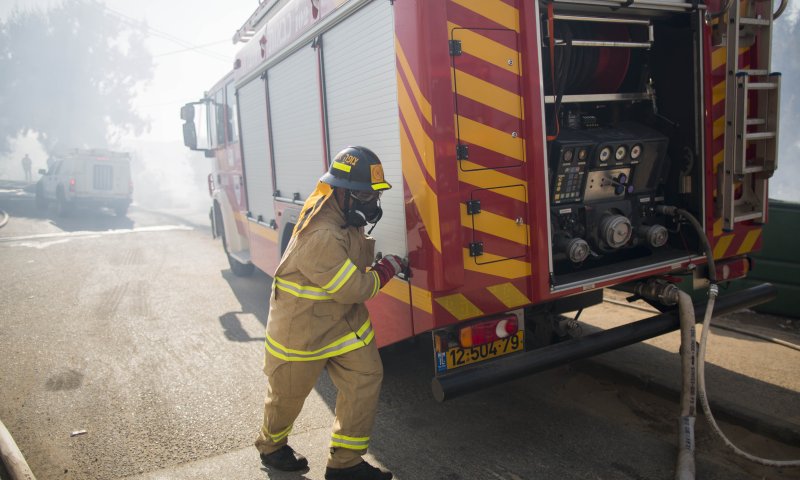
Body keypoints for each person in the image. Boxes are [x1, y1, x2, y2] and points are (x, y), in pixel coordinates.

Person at [255, 146, 405, 480]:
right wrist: (389, 267)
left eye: (374, 194)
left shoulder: (342, 210)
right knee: (286, 398)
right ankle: (271, 446)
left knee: (365, 377)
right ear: (343, 192)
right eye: (365, 195)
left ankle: (345, 465)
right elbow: (355, 288)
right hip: (301, 331)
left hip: (342, 324)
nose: (372, 202)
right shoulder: (322, 234)